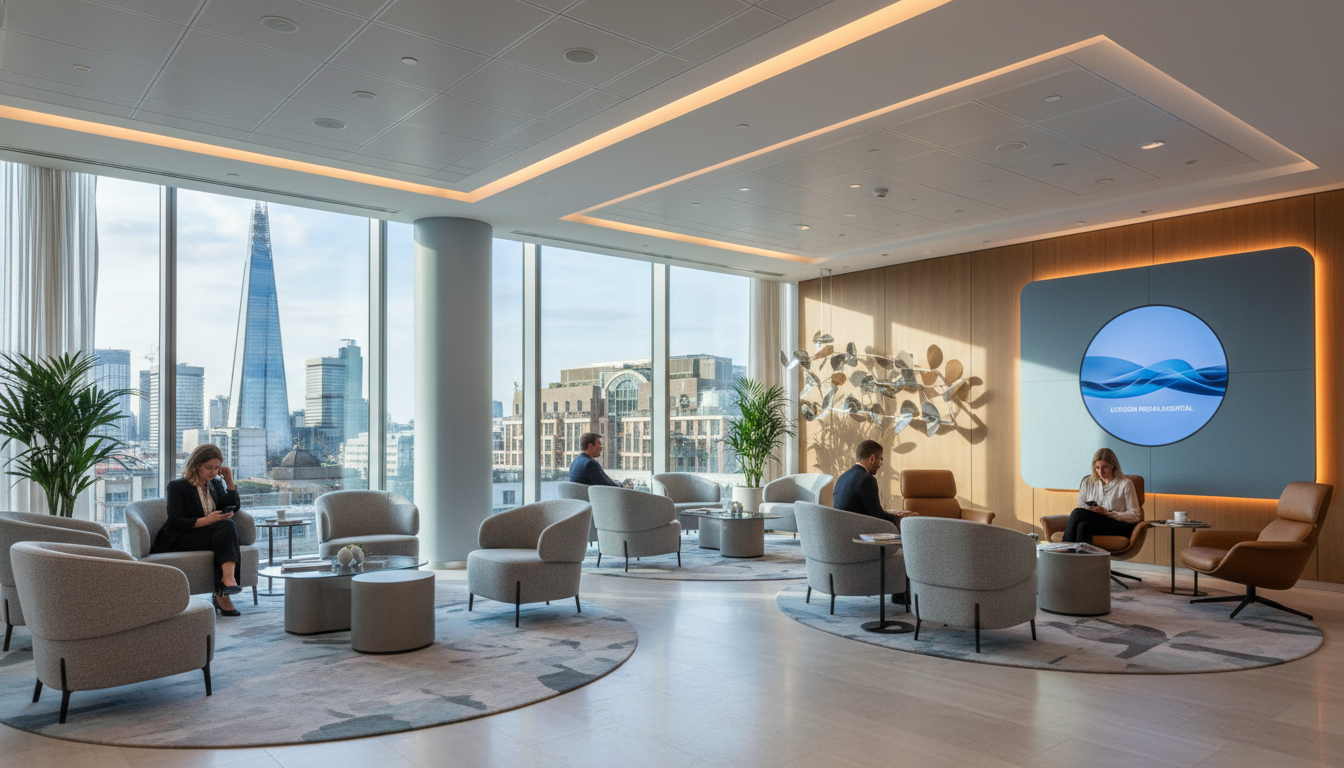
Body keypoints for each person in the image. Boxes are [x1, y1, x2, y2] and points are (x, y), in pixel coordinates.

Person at [153, 443, 245, 616]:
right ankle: (224, 592)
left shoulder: (215, 484)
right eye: (208, 467)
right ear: (196, 465)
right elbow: (175, 521)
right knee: (226, 533)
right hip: (179, 537)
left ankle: (226, 584)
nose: (213, 472)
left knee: (226, 531)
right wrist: (207, 520)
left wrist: (229, 482)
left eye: (216, 468)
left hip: (207, 535)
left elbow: (234, 507)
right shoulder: (177, 486)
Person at [1062, 448, 1141, 545]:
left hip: (1119, 526)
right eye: (1097, 467)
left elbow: (1135, 516)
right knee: (1083, 526)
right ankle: (1082, 555)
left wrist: (1108, 513)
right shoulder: (1087, 482)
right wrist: (1092, 511)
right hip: (1097, 524)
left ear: (1112, 466)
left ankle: (1063, 548)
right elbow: (1080, 506)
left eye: (1105, 467)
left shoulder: (1126, 484)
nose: (1100, 471)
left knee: (1077, 513)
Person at [832, 440, 914, 527]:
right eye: (880, 459)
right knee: (909, 524)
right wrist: (900, 518)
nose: (881, 464)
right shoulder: (866, 479)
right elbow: (878, 516)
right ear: (872, 458)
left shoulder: (842, 478)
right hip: (859, 531)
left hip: (841, 530)